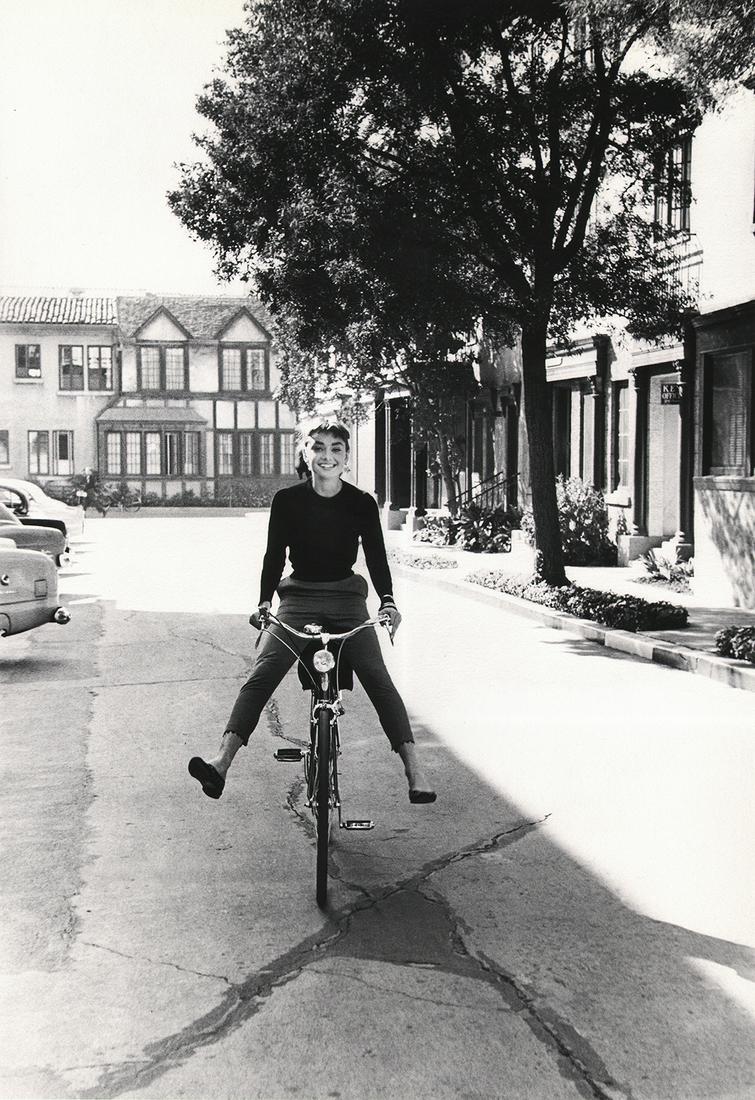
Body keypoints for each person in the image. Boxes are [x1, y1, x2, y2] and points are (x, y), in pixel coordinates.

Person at [189, 418, 436, 805]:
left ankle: (415, 771)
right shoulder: (287, 501)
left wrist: (387, 601)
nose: (327, 456)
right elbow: (274, 556)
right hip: (298, 599)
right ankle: (221, 763)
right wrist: (264, 602)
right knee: (262, 672)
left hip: (347, 601)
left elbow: (375, 557)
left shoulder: (361, 503)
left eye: (336, 449)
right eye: (318, 447)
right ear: (305, 453)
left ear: (347, 458)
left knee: (377, 676)